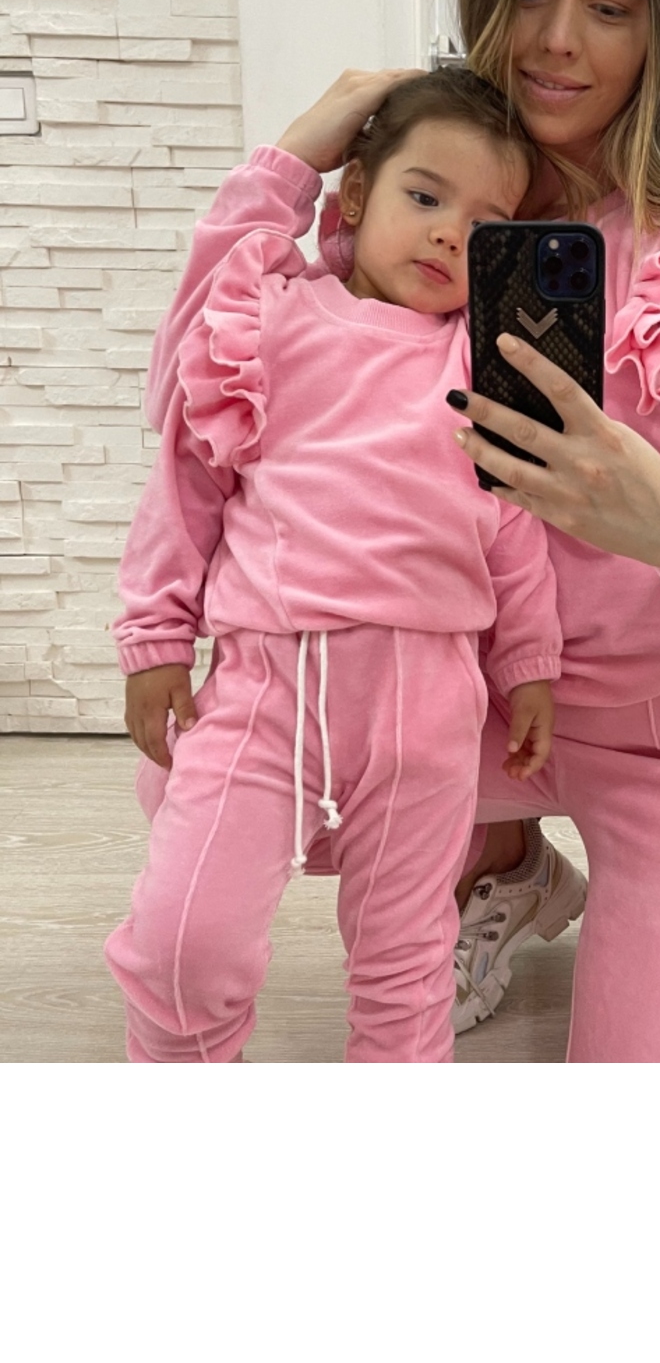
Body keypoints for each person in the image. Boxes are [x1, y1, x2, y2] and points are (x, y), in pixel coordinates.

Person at [141, 0, 660, 1063]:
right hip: (451, 704)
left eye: (609, 7)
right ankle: (507, 859)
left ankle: (510, 856)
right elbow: (197, 399)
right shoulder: (421, 215)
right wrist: (292, 161)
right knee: (212, 783)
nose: (560, 41)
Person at [104, 70, 562, 1063]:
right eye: (425, 195)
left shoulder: (480, 363)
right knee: (183, 944)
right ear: (355, 194)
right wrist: (155, 635)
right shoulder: (269, 319)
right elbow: (188, 486)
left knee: (405, 969)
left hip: (425, 711)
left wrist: (530, 662)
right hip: (263, 690)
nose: (450, 235)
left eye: (486, 227)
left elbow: (514, 525)